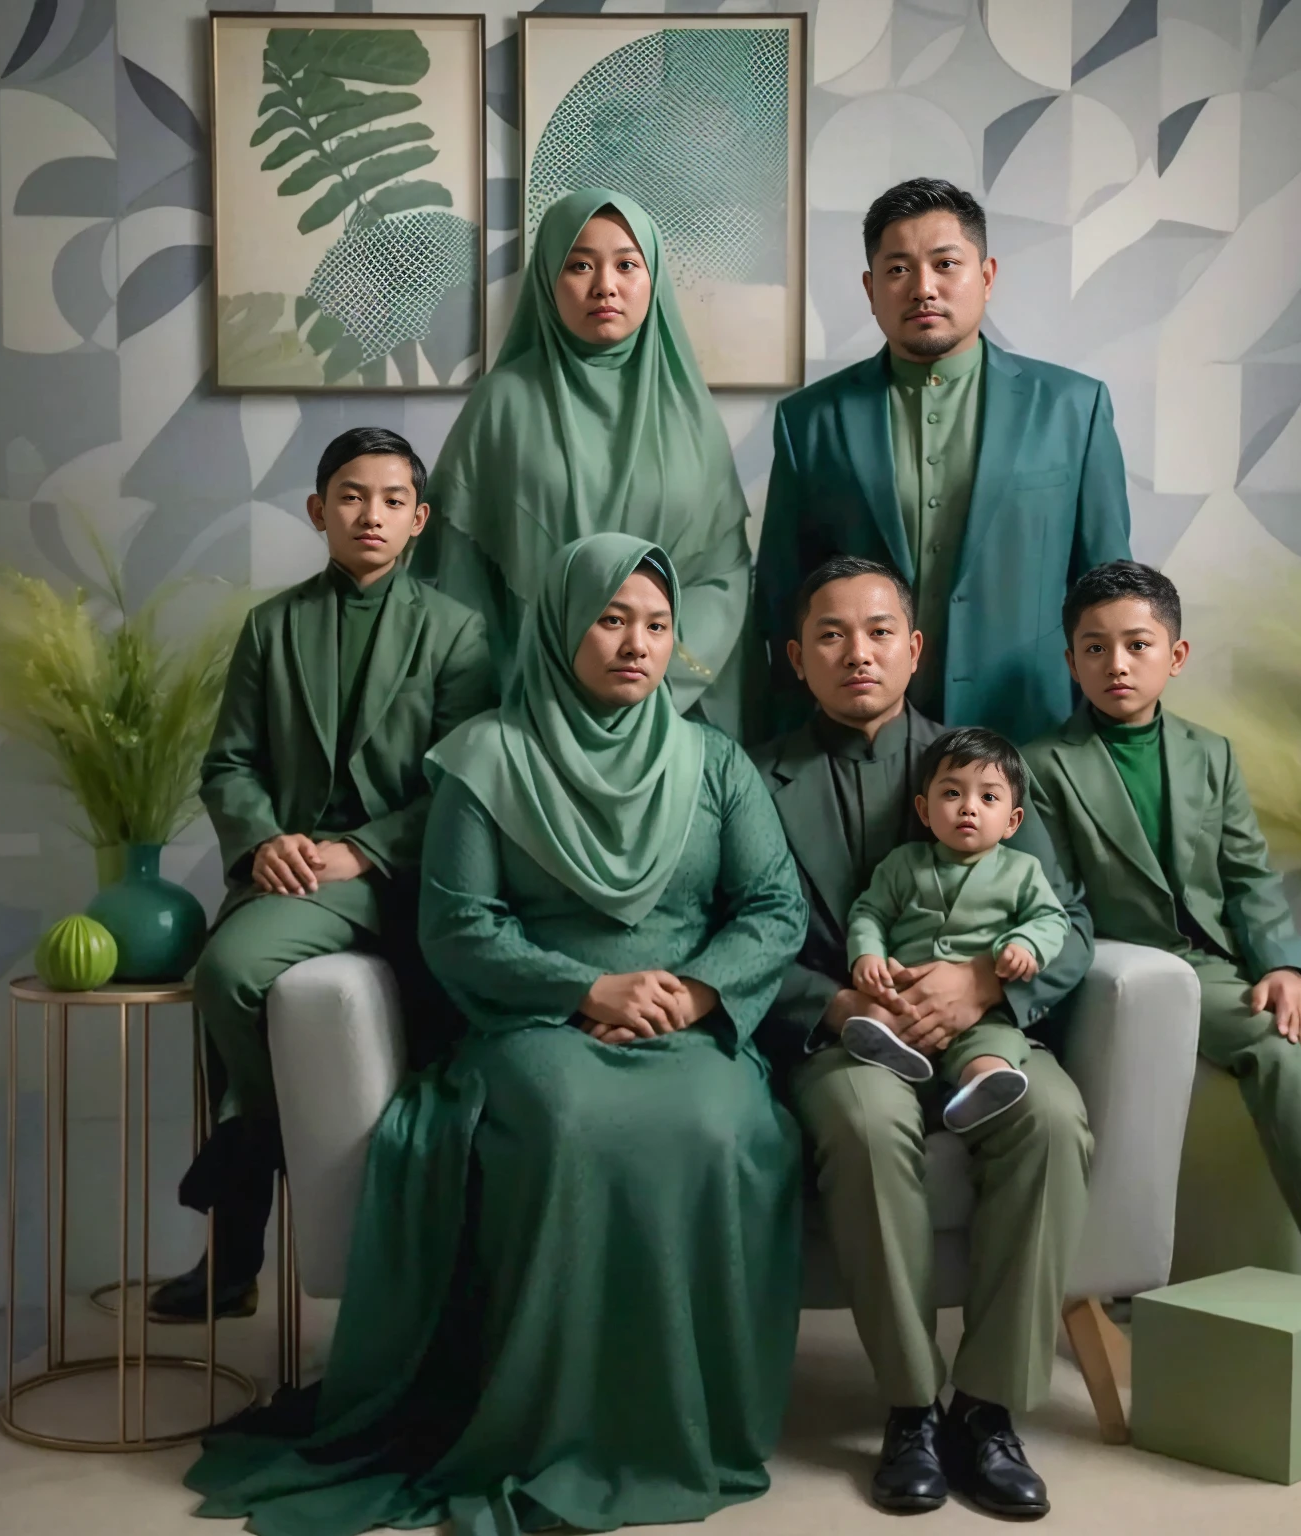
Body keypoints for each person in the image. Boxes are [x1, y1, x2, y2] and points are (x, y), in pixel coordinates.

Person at [184, 533, 809, 1536]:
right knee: (567, 1123)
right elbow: (459, 927)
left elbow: (773, 908)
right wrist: (588, 991)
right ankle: (545, 1418)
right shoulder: (483, 758)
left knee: (715, 1124)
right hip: (537, 1020)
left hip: (685, 1018)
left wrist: (694, 993)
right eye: (609, 619)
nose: (635, 644)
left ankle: (677, 1421)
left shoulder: (713, 760)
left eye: (655, 625)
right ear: (562, 627)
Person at [751, 553, 1094, 1520]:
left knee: (1054, 1123)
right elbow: (727, 926)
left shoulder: (984, 763)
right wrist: (832, 1004)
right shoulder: (752, 776)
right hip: (841, 1039)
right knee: (864, 1126)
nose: (856, 653)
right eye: (830, 635)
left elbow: (1068, 921)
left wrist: (984, 979)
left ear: (915, 649)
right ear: (795, 656)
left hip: (986, 1029)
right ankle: (908, 1407)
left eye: (877, 632)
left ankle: (984, 1411)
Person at [1025, 560, 1301, 1306]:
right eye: (1094, 647)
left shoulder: (1209, 753)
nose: (1115, 664)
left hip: (1230, 956)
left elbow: (1250, 880)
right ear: (1071, 661)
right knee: (1273, 1047)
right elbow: (1057, 903)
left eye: (1137, 644)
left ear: (1175, 656)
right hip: (1144, 971)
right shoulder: (1042, 767)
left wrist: (1283, 966)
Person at [149, 428, 492, 1324]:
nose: (368, 514)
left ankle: (242, 1189)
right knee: (227, 974)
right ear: (317, 511)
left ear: (419, 520)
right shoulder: (273, 626)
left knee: (229, 971)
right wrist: (264, 841)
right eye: (349, 495)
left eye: (389, 499)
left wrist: (367, 846)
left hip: (399, 876)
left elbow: (463, 781)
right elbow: (229, 765)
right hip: (291, 870)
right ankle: (238, 1232)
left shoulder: (457, 632)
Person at [754, 177, 1132, 746]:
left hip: (1033, 732)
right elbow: (783, 599)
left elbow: (1109, 597)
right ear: (870, 287)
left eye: (946, 264)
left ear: (986, 276)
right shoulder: (810, 421)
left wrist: (1105, 737)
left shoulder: (1073, 409)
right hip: (858, 743)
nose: (923, 288)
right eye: (899, 269)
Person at [416, 187, 751, 734]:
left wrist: (658, 685)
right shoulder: (502, 404)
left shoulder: (690, 414)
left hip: (672, 712)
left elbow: (724, 573)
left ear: (654, 279)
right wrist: (526, 688)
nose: (605, 286)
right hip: (527, 711)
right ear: (548, 280)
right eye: (579, 265)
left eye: (626, 264)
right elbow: (458, 575)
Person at [842, 726, 1070, 1134]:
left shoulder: (1021, 871)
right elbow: (869, 912)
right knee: (879, 1015)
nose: (969, 808)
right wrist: (867, 954)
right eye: (951, 794)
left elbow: (1052, 919)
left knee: (992, 1049)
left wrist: (1025, 943)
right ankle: (893, 1052)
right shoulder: (903, 863)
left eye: (988, 798)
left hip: (980, 1015)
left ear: (1012, 821)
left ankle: (981, 1088)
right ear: (924, 811)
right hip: (904, 996)